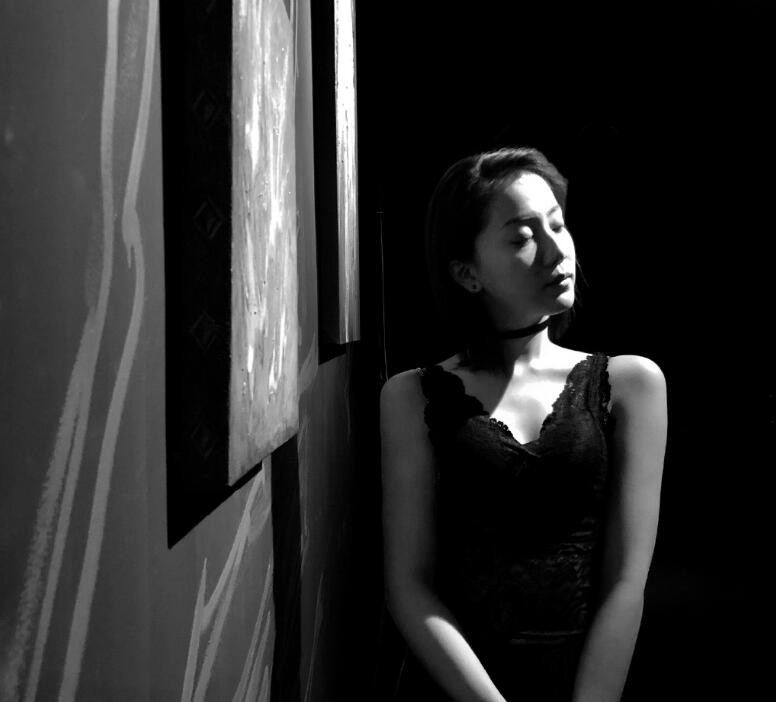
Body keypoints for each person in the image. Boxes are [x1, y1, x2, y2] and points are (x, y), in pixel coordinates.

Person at [379, 146, 667, 702]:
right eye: (522, 238)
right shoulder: (411, 397)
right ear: (467, 273)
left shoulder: (632, 384)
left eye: (557, 224)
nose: (557, 250)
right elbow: (408, 586)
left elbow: (627, 580)